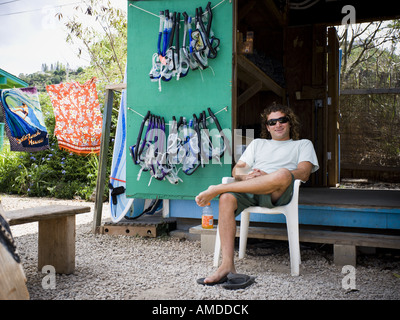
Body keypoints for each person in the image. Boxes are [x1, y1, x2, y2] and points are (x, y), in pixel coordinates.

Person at [195, 102, 319, 286]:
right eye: (272, 122)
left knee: (284, 173)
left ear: (290, 122)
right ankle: (227, 265)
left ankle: (217, 189)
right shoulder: (258, 144)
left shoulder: (302, 144)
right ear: (267, 127)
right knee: (227, 198)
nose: (278, 125)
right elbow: (237, 170)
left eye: (282, 120)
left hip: (278, 191)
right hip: (251, 187)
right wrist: (246, 177)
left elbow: (304, 173)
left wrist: (272, 176)